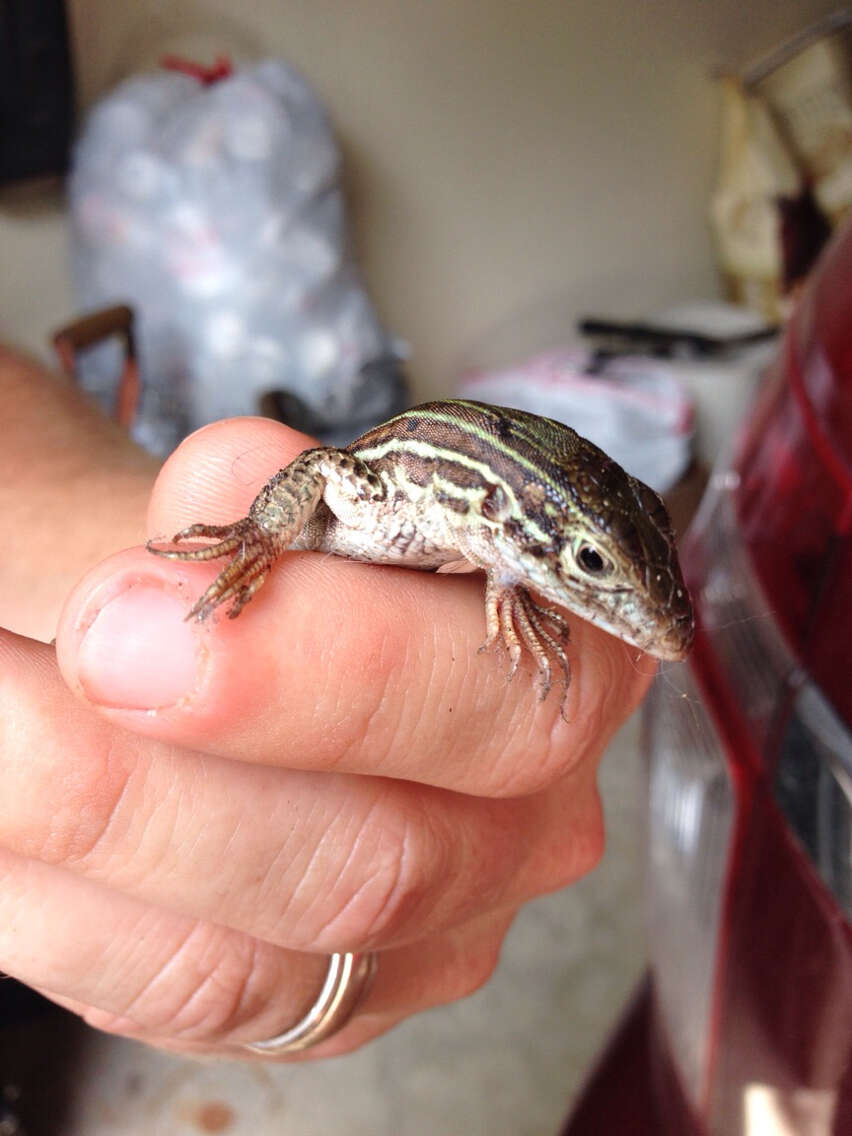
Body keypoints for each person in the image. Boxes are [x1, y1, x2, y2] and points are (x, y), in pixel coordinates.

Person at [0, 344, 654, 1060]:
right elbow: (316, 468)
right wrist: (261, 533)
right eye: (590, 563)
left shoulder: (488, 527)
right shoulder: (386, 495)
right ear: (498, 510)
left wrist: (510, 580)